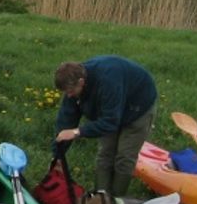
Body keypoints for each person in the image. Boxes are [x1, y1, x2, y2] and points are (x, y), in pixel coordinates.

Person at [53, 56, 158, 196]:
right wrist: (58, 155)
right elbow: (66, 120)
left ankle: (115, 201)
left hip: (137, 108)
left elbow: (110, 123)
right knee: (105, 153)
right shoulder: (72, 88)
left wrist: (78, 132)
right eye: (66, 92)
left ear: (81, 82)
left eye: (71, 91)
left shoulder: (108, 81)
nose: (69, 96)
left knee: (124, 156)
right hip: (109, 109)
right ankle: (101, 196)